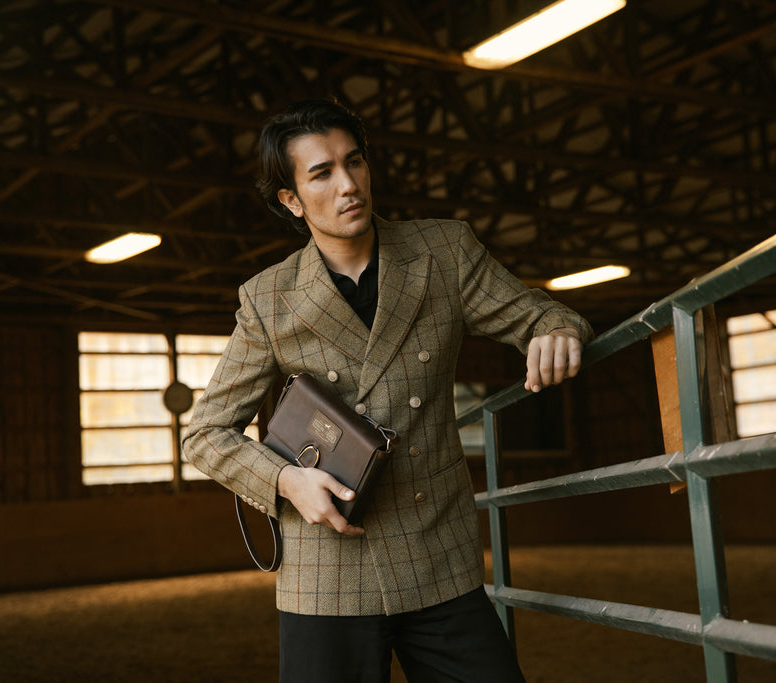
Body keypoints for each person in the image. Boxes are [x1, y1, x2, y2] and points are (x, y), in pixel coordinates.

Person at [182, 98, 592, 682]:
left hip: (438, 558)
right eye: (322, 173)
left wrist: (557, 331)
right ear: (292, 200)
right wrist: (287, 481)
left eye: (355, 162)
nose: (348, 185)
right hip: (325, 571)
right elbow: (204, 434)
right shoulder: (268, 298)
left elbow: (543, 315)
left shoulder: (444, 252)